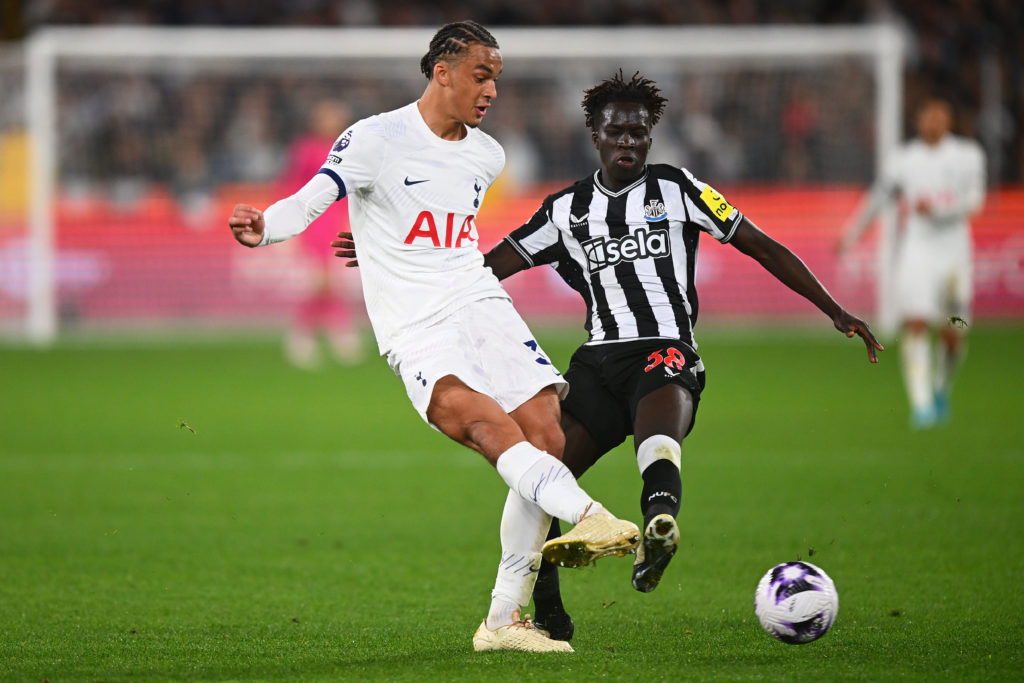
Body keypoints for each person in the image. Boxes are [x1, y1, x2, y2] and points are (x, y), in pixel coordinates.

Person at [335, 70, 882, 640]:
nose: (629, 142)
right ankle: (541, 605)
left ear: (651, 136)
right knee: (542, 474)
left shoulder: (680, 189)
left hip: (665, 348)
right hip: (597, 363)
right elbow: (486, 265)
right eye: (617, 133)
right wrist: (396, 247)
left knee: (658, 431)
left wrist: (833, 308)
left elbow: (760, 244)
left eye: (639, 133)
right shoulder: (566, 210)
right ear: (594, 135)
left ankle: (657, 525)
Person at [228, 22, 640, 654]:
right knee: (478, 422)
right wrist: (266, 226)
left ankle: (504, 620)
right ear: (442, 72)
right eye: (482, 74)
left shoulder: (487, 155)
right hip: (415, 321)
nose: (492, 89)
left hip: (477, 299)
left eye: (497, 77)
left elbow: (437, 230)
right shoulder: (375, 136)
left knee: (547, 432)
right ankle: (589, 515)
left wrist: (381, 244)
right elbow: (315, 199)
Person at [839, 96, 985, 429]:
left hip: (955, 252)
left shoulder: (968, 155)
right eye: (927, 115)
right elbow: (878, 196)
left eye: (939, 114)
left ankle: (940, 388)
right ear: (919, 120)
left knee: (953, 333)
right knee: (916, 323)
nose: (932, 120)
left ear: (947, 119)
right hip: (917, 249)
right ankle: (921, 405)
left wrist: (941, 210)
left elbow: (976, 201)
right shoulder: (904, 160)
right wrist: (851, 232)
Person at [276, 98, 364, 368]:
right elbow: (289, 184)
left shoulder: (348, 149)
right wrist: (285, 223)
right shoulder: (306, 149)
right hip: (313, 223)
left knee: (331, 281)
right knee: (320, 281)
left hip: (338, 223)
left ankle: (319, 333)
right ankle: (325, 332)